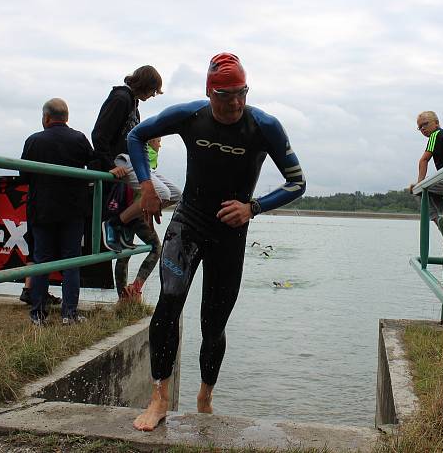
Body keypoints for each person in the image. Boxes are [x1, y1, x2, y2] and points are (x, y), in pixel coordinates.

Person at [128, 52, 306, 431]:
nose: (235, 103)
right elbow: (136, 134)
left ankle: (205, 397)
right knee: (169, 303)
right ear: (210, 93)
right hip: (188, 223)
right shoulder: (191, 116)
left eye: (241, 93)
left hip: (231, 232)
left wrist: (252, 207)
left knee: (214, 324)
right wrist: (145, 185)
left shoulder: (265, 126)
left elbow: (297, 182)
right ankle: (160, 394)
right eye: (225, 96)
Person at [21, 98, 117, 326]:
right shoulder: (78, 139)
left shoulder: (34, 140)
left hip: (41, 210)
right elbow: (95, 165)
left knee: (41, 260)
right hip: (73, 210)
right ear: (66, 117)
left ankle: (38, 314)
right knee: (71, 261)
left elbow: (24, 176)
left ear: (46, 117)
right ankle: (69, 313)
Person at [92, 65, 163, 252]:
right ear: (145, 85)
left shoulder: (133, 105)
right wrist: (109, 166)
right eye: (153, 90)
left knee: (172, 193)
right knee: (160, 193)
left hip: (128, 161)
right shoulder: (120, 98)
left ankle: (122, 223)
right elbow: (99, 135)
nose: (153, 95)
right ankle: (114, 223)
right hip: (116, 163)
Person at [114, 136, 180, 302]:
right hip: (133, 210)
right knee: (154, 248)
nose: (160, 144)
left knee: (125, 253)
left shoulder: (149, 159)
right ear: (149, 143)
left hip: (132, 208)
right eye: (158, 141)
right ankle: (132, 291)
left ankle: (125, 295)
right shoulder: (145, 155)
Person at [410, 111, 443, 241]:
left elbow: (424, 160)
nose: (423, 129)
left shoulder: (435, 136)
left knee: (419, 192)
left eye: (425, 124)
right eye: (419, 127)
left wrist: (419, 184)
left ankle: (439, 222)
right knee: (430, 191)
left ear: (436, 123)